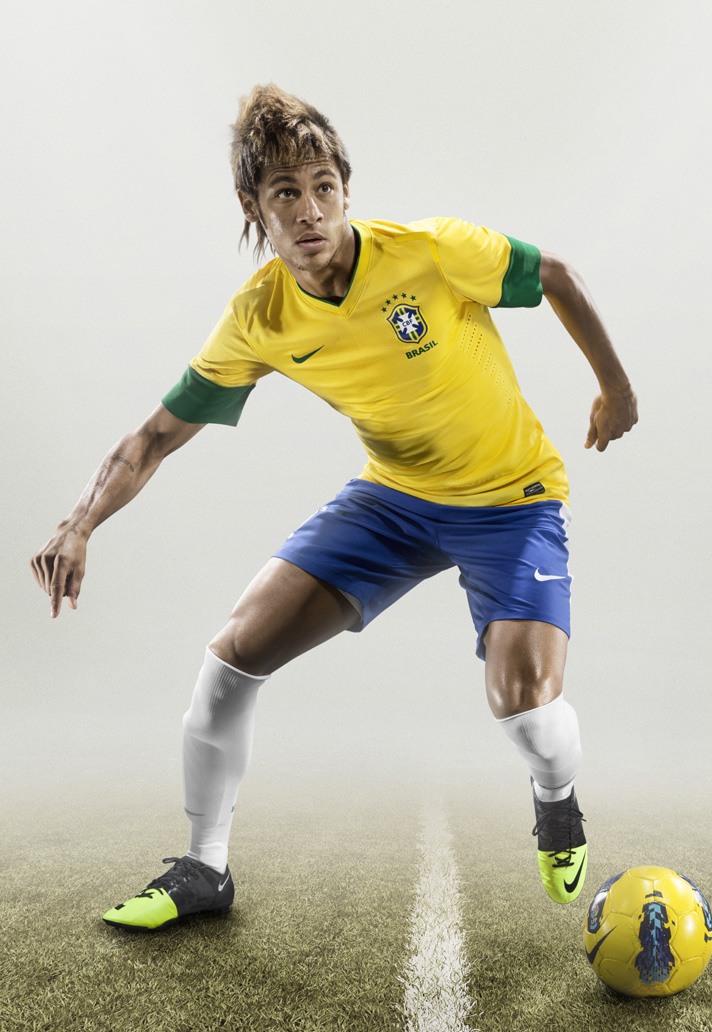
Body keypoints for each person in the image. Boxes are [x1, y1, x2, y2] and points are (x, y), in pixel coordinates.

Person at [30, 83, 638, 932]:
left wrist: (615, 388)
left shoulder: (431, 251)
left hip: (512, 499)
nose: (310, 210)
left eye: (324, 186)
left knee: (530, 714)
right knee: (232, 657)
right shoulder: (260, 317)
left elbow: (558, 276)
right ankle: (205, 869)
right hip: (393, 500)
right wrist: (78, 523)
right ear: (253, 206)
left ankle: (557, 798)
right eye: (286, 192)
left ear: (347, 189)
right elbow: (155, 436)